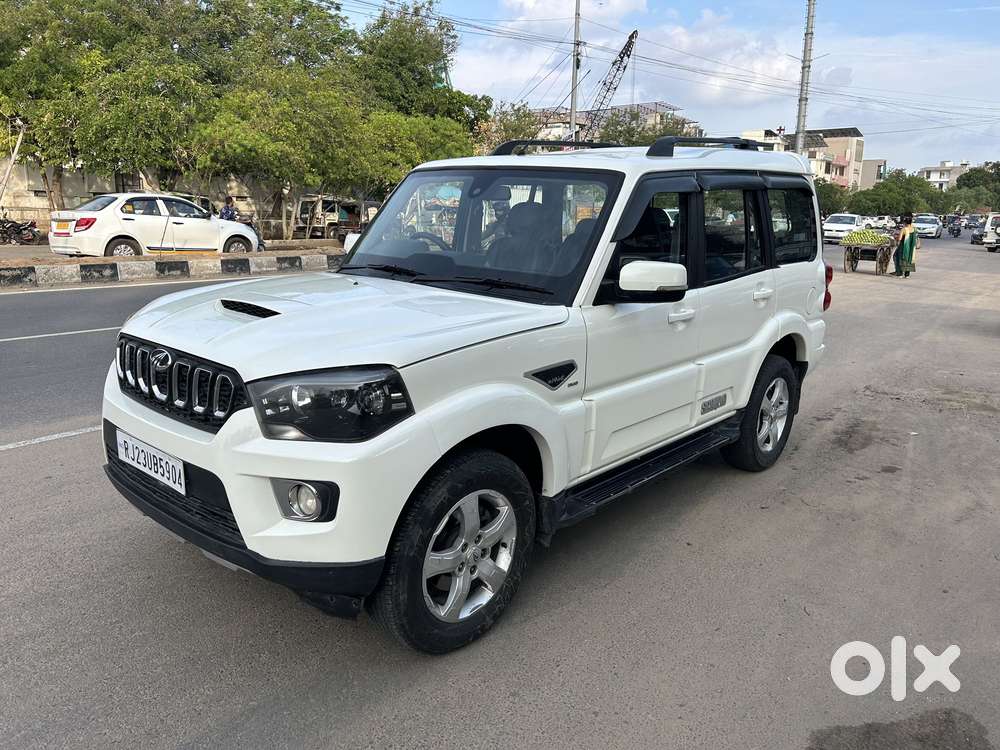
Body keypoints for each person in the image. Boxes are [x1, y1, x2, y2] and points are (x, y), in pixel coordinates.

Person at [893, 212, 919, 278]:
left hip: (903, 247)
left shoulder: (904, 229)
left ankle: (900, 273)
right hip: (911, 247)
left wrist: (896, 238)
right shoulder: (914, 228)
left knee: (897, 257)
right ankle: (907, 274)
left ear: (905, 222)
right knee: (909, 258)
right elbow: (916, 237)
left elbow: (900, 239)